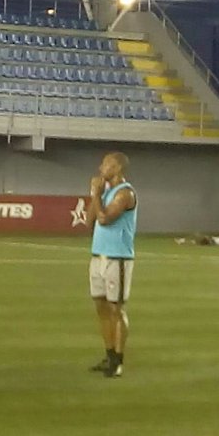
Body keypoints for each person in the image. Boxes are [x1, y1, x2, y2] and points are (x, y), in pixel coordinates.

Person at [87, 151, 138, 379]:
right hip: (98, 255)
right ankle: (108, 354)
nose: (100, 168)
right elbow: (89, 220)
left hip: (117, 258)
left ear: (117, 167)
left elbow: (106, 218)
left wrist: (98, 194)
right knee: (101, 307)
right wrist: (94, 194)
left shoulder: (125, 194)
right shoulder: (106, 192)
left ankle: (118, 360)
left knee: (116, 309)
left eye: (105, 164)